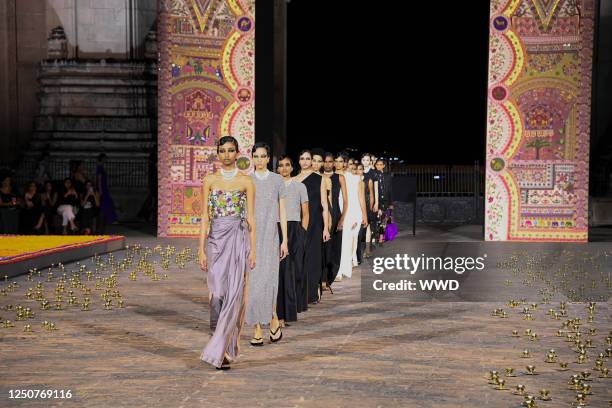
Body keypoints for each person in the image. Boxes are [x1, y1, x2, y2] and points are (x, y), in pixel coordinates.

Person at [199, 136, 256, 370]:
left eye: (230, 150)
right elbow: (204, 215)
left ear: (237, 153)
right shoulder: (210, 180)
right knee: (217, 292)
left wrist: (252, 249)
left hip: (237, 237)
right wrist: (200, 248)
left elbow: (251, 217)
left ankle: (222, 350)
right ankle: (221, 341)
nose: (226, 155)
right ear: (218, 153)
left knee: (234, 294)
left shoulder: (246, 182)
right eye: (222, 151)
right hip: (215, 239)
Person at [246, 142, 288, 346]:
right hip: (251, 237)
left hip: (271, 236)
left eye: (263, 156)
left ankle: (272, 319)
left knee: (269, 282)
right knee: (253, 283)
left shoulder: (277, 180)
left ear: (268, 158)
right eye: (256, 156)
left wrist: (285, 240)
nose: (260, 160)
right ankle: (256, 328)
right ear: (252, 158)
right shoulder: (247, 181)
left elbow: (283, 211)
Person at [294, 150, 331, 304]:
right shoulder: (293, 179)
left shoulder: (319, 179)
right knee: (298, 256)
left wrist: (326, 228)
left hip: (315, 221)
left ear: (311, 161)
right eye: (302, 158)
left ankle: (312, 294)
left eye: (307, 159)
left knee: (313, 257)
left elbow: (324, 204)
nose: (305, 161)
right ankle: (299, 292)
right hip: (297, 221)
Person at [276, 155, 309, 325]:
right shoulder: (274, 185)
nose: (284, 168)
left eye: (287, 165)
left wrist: (302, 233)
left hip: (295, 230)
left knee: (293, 272)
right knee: (281, 272)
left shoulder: (300, 187)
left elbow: (306, 212)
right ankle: (279, 315)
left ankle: (288, 311)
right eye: (280, 165)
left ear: (292, 167)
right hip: (276, 229)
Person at [337, 157, 367, 279]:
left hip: (353, 211)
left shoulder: (357, 179)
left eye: (351, 164)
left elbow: (360, 198)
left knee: (348, 241)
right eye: (347, 163)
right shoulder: (338, 176)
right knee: (340, 241)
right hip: (339, 210)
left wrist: (363, 215)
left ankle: (342, 269)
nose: (348, 166)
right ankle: (338, 269)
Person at [322, 152, 347, 289]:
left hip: (336, 214)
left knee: (335, 248)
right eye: (325, 161)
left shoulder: (340, 178)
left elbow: (346, 201)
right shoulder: (318, 177)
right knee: (324, 247)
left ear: (334, 163)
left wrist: (342, 219)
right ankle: (323, 278)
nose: (327, 164)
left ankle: (330, 276)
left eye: (330, 161)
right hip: (323, 214)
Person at [96, 153, 118, 228]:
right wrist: (100, 190)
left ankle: (109, 220)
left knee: (107, 204)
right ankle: (110, 220)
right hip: (102, 189)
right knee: (107, 203)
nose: (106, 160)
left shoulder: (101, 167)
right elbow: (99, 179)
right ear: (102, 159)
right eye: (105, 159)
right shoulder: (99, 167)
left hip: (104, 188)